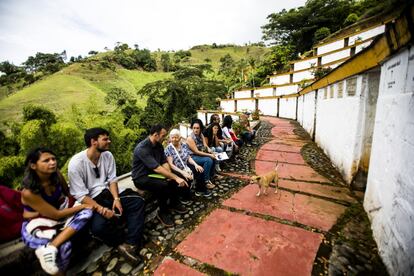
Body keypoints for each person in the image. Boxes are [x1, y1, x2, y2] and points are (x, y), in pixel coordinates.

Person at [68, 128, 144, 263]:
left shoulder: (107, 155)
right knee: (98, 227)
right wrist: (101, 210)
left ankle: (131, 244)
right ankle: (121, 244)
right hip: (90, 201)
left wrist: (116, 199)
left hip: (108, 194)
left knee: (137, 201)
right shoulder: (76, 163)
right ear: (93, 142)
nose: (109, 141)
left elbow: (112, 179)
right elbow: (80, 195)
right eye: (105, 139)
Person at [21, 147, 94, 275]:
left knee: (87, 213)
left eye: (53, 159)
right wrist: (82, 206)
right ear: (33, 165)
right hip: (40, 223)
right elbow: (55, 214)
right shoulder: (29, 192)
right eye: (46, 160)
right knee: (64, 247)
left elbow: (68, 195)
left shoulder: (56, 175)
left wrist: (82, 205)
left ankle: (51, 247)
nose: (52, 162)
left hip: (59, 214)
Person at [131, 124, 188, 227]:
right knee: (163, 184)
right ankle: (162, 212)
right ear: (156, 135)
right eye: (163, 136)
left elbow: (164, 162)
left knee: (177, 175)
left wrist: (171, 175)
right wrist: (174, 177)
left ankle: (174, 203)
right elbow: (156, 168)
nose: (165, 138)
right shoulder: (142, 148)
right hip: (142, 177)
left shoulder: (159, 145)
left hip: (154, 173)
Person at [165, 129, 212, 198]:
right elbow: (171, 165)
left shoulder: (183, 145)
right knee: (186, 177)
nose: (174, 139)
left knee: (199, 169)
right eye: (172, 137)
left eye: (176, 137)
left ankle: (200, 190)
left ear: (180, 138)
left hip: (185, 165)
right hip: (176, 169)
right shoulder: (168, 149)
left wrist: (196, 165)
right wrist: (183, 172)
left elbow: (188, 158)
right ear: (170, 138)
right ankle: (184, 196)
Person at [186, 119, 217, 189]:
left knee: (214, 156)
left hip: (199, 154)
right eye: (194, 128)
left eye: (197, 128)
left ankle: (211, 176)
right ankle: (206, 181)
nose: (196, 130)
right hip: (192, 157)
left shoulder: (201, 135)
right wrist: (209, 155)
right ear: (192, 128)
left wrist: (212, 152)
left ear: (200, 128)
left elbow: (205, 145)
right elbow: (196, 151)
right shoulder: (190, 138)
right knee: (208, 160)